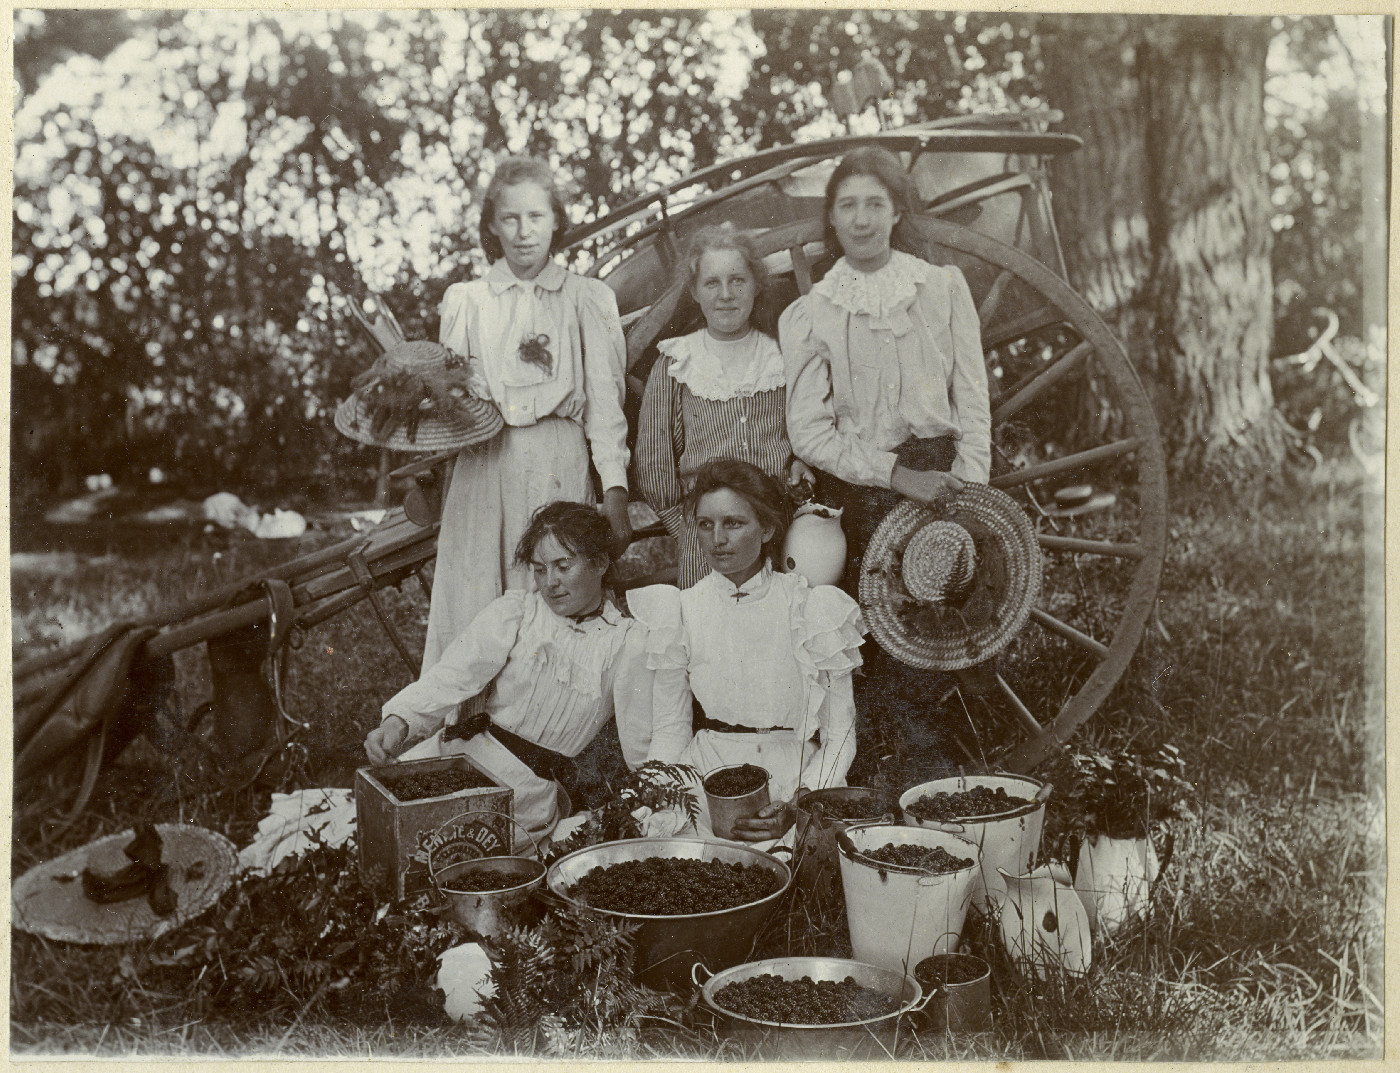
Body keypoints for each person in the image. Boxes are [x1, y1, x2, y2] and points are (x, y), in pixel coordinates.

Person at [778, 145, 992, 771]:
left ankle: (954, 776)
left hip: (947, 480)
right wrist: (898, 477)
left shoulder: (941, 289)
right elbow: (810, 434)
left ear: (898, 212)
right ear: (833, 220)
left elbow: (973, 401)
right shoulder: (811, 313)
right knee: (878, 642)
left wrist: (968, 496)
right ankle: (887, 779)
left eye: (876, 203)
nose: (863, 219)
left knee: (951, 628)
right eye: (848, 206)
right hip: (864, 486)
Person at [364, 503, 688, 848]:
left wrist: (652, 798)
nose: (551, 583)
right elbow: (452, 676)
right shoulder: (518, 613)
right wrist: (398, 723)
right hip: (457, 757)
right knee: (377, 824)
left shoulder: (627, 642)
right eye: (539, 570)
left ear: (599, 563)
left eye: (563, 566)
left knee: (443, 849)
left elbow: (642, 742)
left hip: (524, 790)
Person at [423, 156, 632, 674]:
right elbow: (453, 405)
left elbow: (606, 408)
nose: (523, 233)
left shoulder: (585, 298)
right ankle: (464, 719)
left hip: (557, 462)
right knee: (478, 594)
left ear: (556, 220)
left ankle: (546, 724)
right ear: (492, 224)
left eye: (535, 217)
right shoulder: (467, 301)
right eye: (510, 219)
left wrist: (614, 492)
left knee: (552, 589)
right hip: (485, 464)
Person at [628, 460, 865, 848]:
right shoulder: (682, 609)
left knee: (783, 867)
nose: (717, 538)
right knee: (675, 859)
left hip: (794, 776)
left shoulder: (810, 608)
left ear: (767, 528)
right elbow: (671, 728)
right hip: (703, 775)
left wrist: (800, 802)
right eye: (706, 524)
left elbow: (840, 734)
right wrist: (656, 795)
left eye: (733, 523)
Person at [634, 225, 812, 588]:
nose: (726, 295)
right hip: (706, 543)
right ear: (696, 291)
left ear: (756, 284)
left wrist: (801, 459)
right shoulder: (675, 363)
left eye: (738, 280)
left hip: (782, 531)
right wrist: (686, 530)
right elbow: (654, 463)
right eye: (712, 283)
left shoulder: (781, 355)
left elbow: (806, 428)